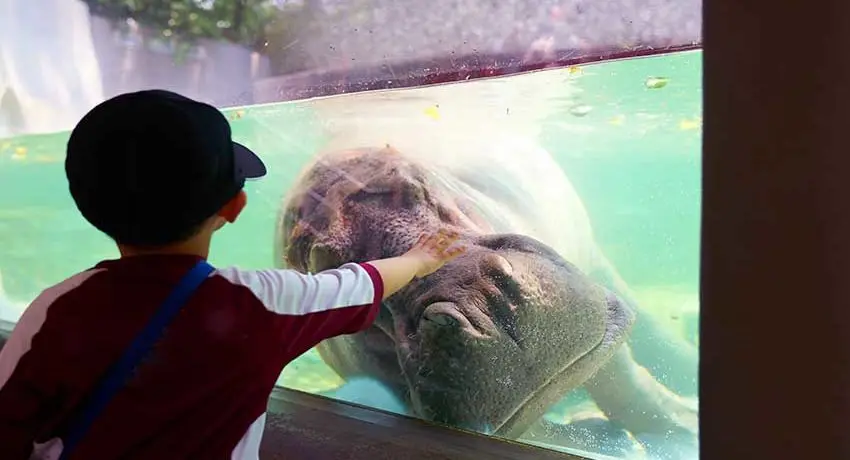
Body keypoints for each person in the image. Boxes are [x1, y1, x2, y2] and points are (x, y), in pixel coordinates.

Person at [0, 90, 465, 459]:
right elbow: (362, 284)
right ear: (234, 207)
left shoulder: (54, 308)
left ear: (89, 208)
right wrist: (421, 259)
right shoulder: (265, 303)